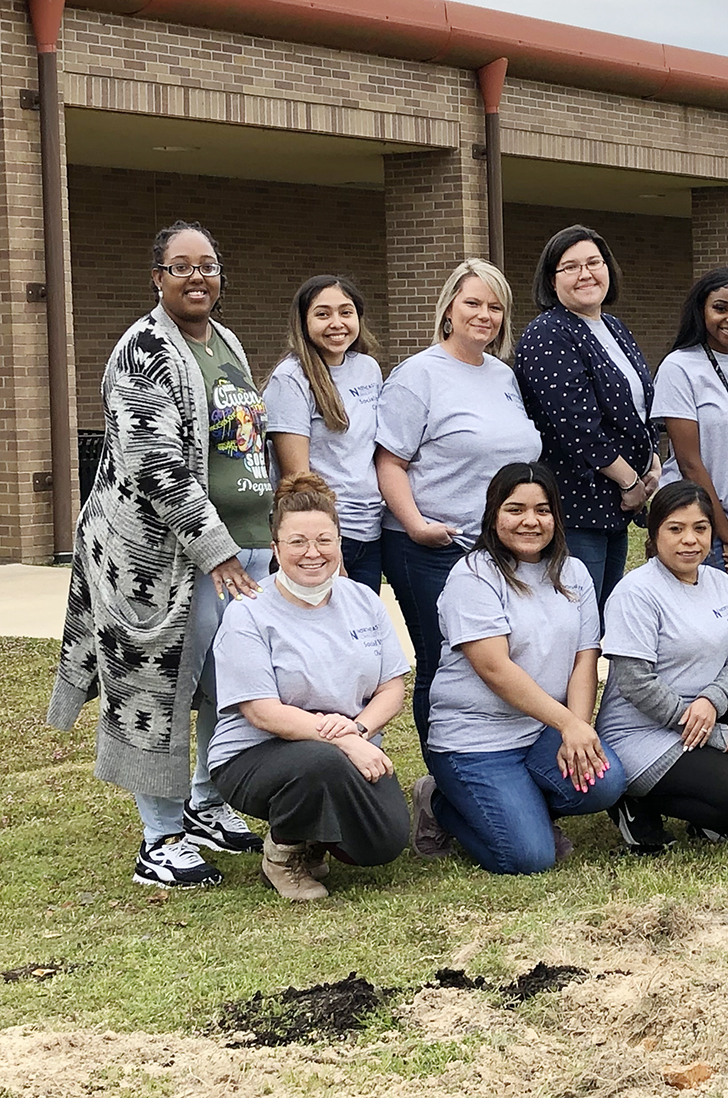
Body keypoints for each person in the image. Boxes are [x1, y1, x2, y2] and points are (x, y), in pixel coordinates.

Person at [50, 220, 272, 890]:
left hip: (245, 545)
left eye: (207, 265)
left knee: (222, 684)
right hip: (163, 563)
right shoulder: (143, 350)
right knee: (159, 690)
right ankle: (160, 837)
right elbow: (156, 467)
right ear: (157, 277)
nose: (197, 277)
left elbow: (242, 441)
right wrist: (216, 552)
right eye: (182, 267)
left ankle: (205, 805)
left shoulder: (224, 340)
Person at [412, 462, 626, 871]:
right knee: (529, 857)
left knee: (605, 783)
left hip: (540, 732)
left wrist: (577, 728)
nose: (531, 520)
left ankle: (522, 807)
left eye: (542, 510)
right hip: (476, 741)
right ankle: (441, 804)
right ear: (494, 514)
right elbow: (494, 668)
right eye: (515, 509)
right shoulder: (473, 576)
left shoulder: (574, 572)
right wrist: (567, 725)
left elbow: (585, 656)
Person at [208, 473, 411, 901]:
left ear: (339, 543)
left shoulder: (363, 600)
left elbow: (392, 687)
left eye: (324, 540)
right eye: (297, 542)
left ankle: (316, 837)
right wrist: (345, 744)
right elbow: (262, 712)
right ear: (275, 549)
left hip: (345, 745)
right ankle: (283, 856)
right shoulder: (248, 613)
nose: (312, 553)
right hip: (252, 756)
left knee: (384, 843)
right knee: (321, 763)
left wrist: (356, 734)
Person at [376, 259, 542, 743]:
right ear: (448, 308)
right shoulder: (418, 375)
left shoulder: (502, 376)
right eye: (472, 303)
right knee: (443, 660)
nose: (484, 315)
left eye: (495, 307)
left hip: (496, 550)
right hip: (433, 546)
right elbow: (390, 462)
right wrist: (416, 525)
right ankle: (443, 779)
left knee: (492, 660)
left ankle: (487, 757)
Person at [595, 480, 728, 854]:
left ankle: (708, 822)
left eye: (700, 528)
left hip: (700, 714)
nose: (690, 540)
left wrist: (711, 703)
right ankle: (634, 803)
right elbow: (637, 683)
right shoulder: (635, 592)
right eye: (676, 529)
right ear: (654, 534)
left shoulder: (719, 582)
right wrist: (711, 731)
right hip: (642, 731)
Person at [514, 225, 661, 614]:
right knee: (576, 621)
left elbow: (638, 406)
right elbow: (578, 426)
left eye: (594, 262)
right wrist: (630, 480)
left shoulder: (611, 326)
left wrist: (652, 462)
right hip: (576, 504)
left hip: (614, 503)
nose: (586, 274)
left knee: (602, 621)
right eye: (571, 267)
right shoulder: (548, 334)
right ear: (551, 279)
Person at [654, 268, 728, 605]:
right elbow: (690, 463)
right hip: (692, 518)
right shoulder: (679, 367)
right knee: (692, 624)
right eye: (720, 308)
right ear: (701, 310)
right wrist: (726, 534)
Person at [264, 275, 384, 591]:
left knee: (361, 633)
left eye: (346, 312)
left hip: (369, 530)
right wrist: (328, 546)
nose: (336, 323)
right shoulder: (290, 379)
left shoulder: (368, 368)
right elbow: (297, 479)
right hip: (323, 538)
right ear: (303, 321)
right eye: (323, 314)